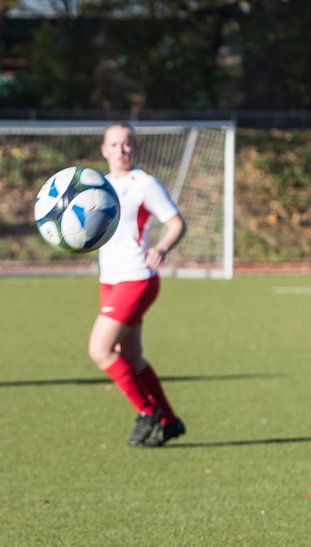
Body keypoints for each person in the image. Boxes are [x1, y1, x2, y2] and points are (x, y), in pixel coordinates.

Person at [92, 122, 186, 447]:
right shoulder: (98, 186)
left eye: (127, 144)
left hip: (137, 277)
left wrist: (161, 248)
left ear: (135, 148)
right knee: (131, 358)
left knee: (100, 349)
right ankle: (171, 421)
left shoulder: (144, 184)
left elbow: (176, 223)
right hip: (110, 280)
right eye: (114, 144)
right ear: (104, 150)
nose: (121, 150)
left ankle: (148, 411)